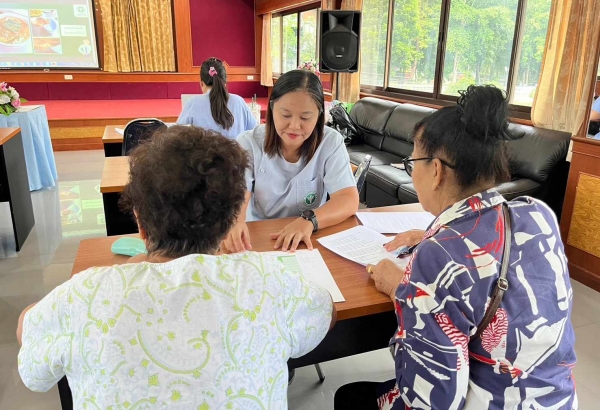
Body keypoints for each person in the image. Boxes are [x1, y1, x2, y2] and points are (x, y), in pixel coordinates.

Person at [17, 126, 335, 408]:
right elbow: (326, 311)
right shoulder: (266, 280)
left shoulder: (83, 295)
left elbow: (33, 361)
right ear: (230, 222)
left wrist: (41, 309)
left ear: (140, 223)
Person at [335, 85, 577, 409]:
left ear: (436, 171)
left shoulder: (437, 257)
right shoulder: (537, 214)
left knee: (349, 397)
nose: (413, 172)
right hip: (557, 400)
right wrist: (433, 236)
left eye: (413, 162)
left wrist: (400, 289)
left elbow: (431, 400)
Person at [223, 69, 359, 253]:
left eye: (305, 117)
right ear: (272, 108)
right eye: (285, 115)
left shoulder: (330, 142)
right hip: (261, 234)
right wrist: (236, 221)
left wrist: (309, 220)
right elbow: (239, 195)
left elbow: (348, 199)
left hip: (308, 235)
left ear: (319, 115)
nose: (294, 126)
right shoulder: (249, 143)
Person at [177, 57, 257, 138]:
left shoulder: (193, 103)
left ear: (201, 83)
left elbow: (177, 135)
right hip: (236, 146)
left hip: (203, 147)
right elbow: (255, 132)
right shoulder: (239, 101)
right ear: (225, 83)